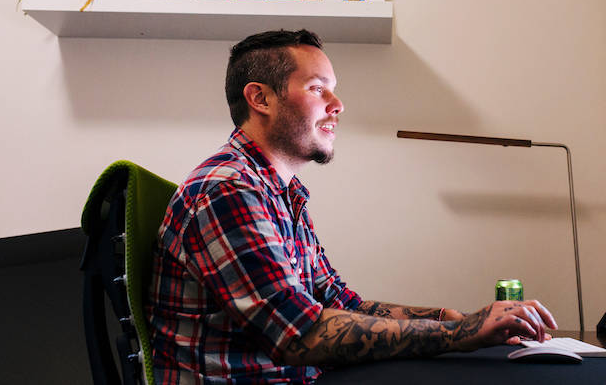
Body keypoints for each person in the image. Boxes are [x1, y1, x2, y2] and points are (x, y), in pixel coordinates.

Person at [146, 29, 558, 383]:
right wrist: (460, 334)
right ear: (260, 98)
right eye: (317, 88)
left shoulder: (281, 193)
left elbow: (341, 304)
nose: (337, 103)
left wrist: (449, 318)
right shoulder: (228, 190)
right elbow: (300, 333)